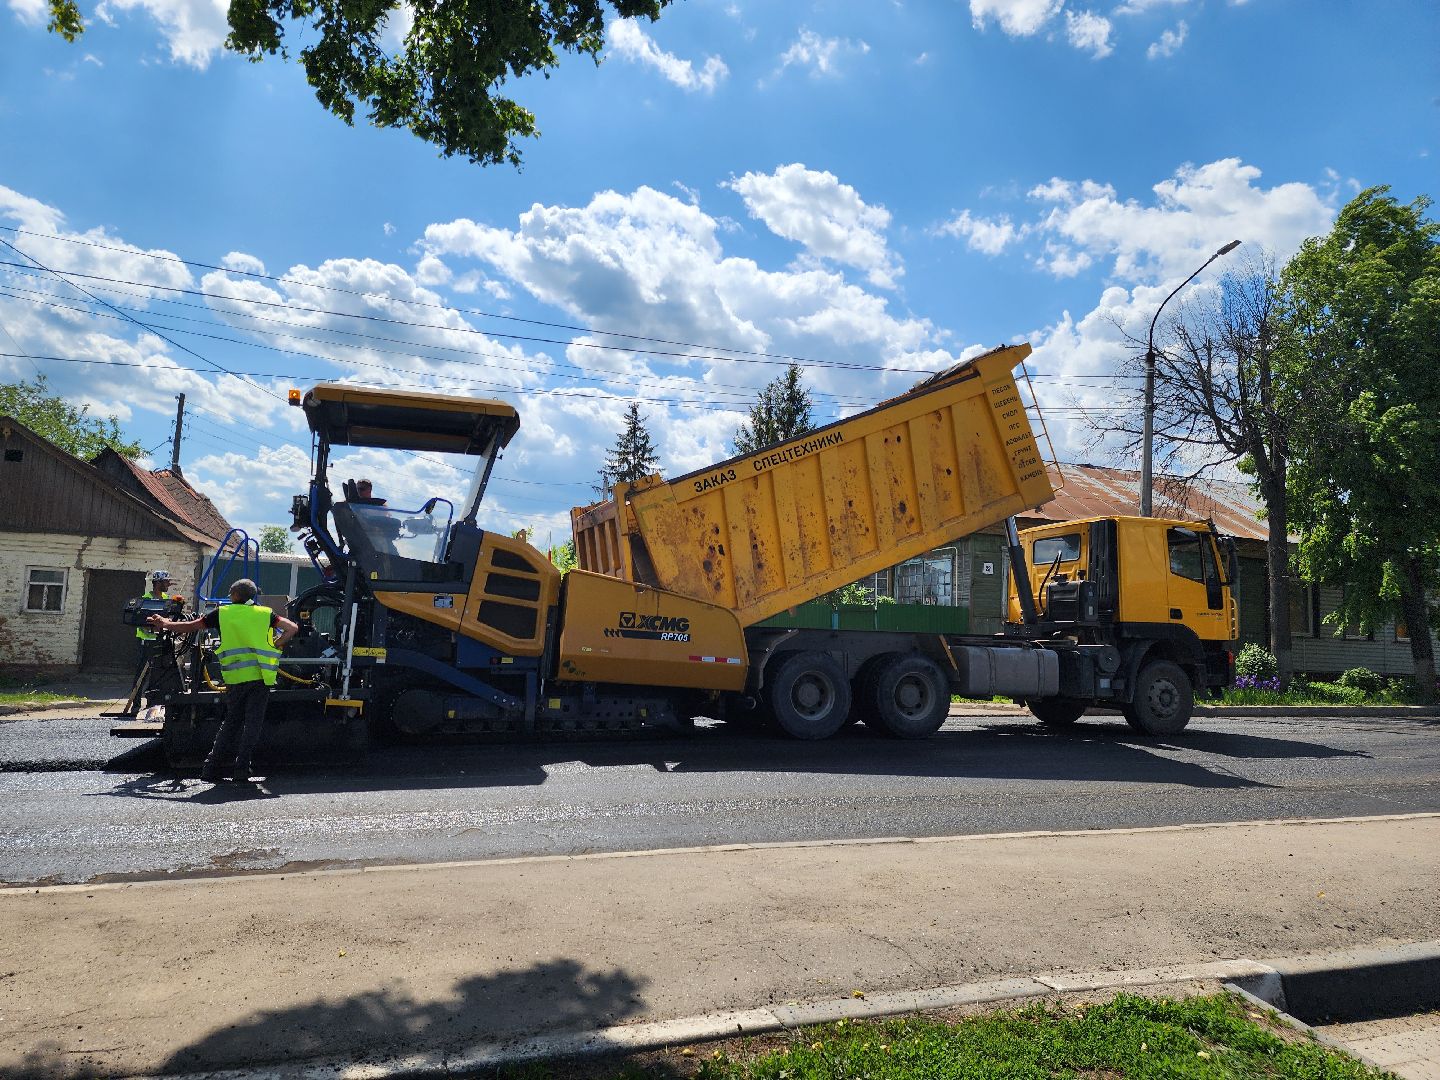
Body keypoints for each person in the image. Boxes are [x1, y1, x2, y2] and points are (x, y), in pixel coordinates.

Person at [149, 578, 298, 784]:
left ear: (235, 595)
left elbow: (191, 627)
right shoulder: (265, 614)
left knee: (231, 723)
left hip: (235, 678)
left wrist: (165, 623)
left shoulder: (222, 613)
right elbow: (292, 628)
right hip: (260, 677)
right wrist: (277, 643)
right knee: (252, 724)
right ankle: (242, 769)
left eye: (230, 593)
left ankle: (211, 768)